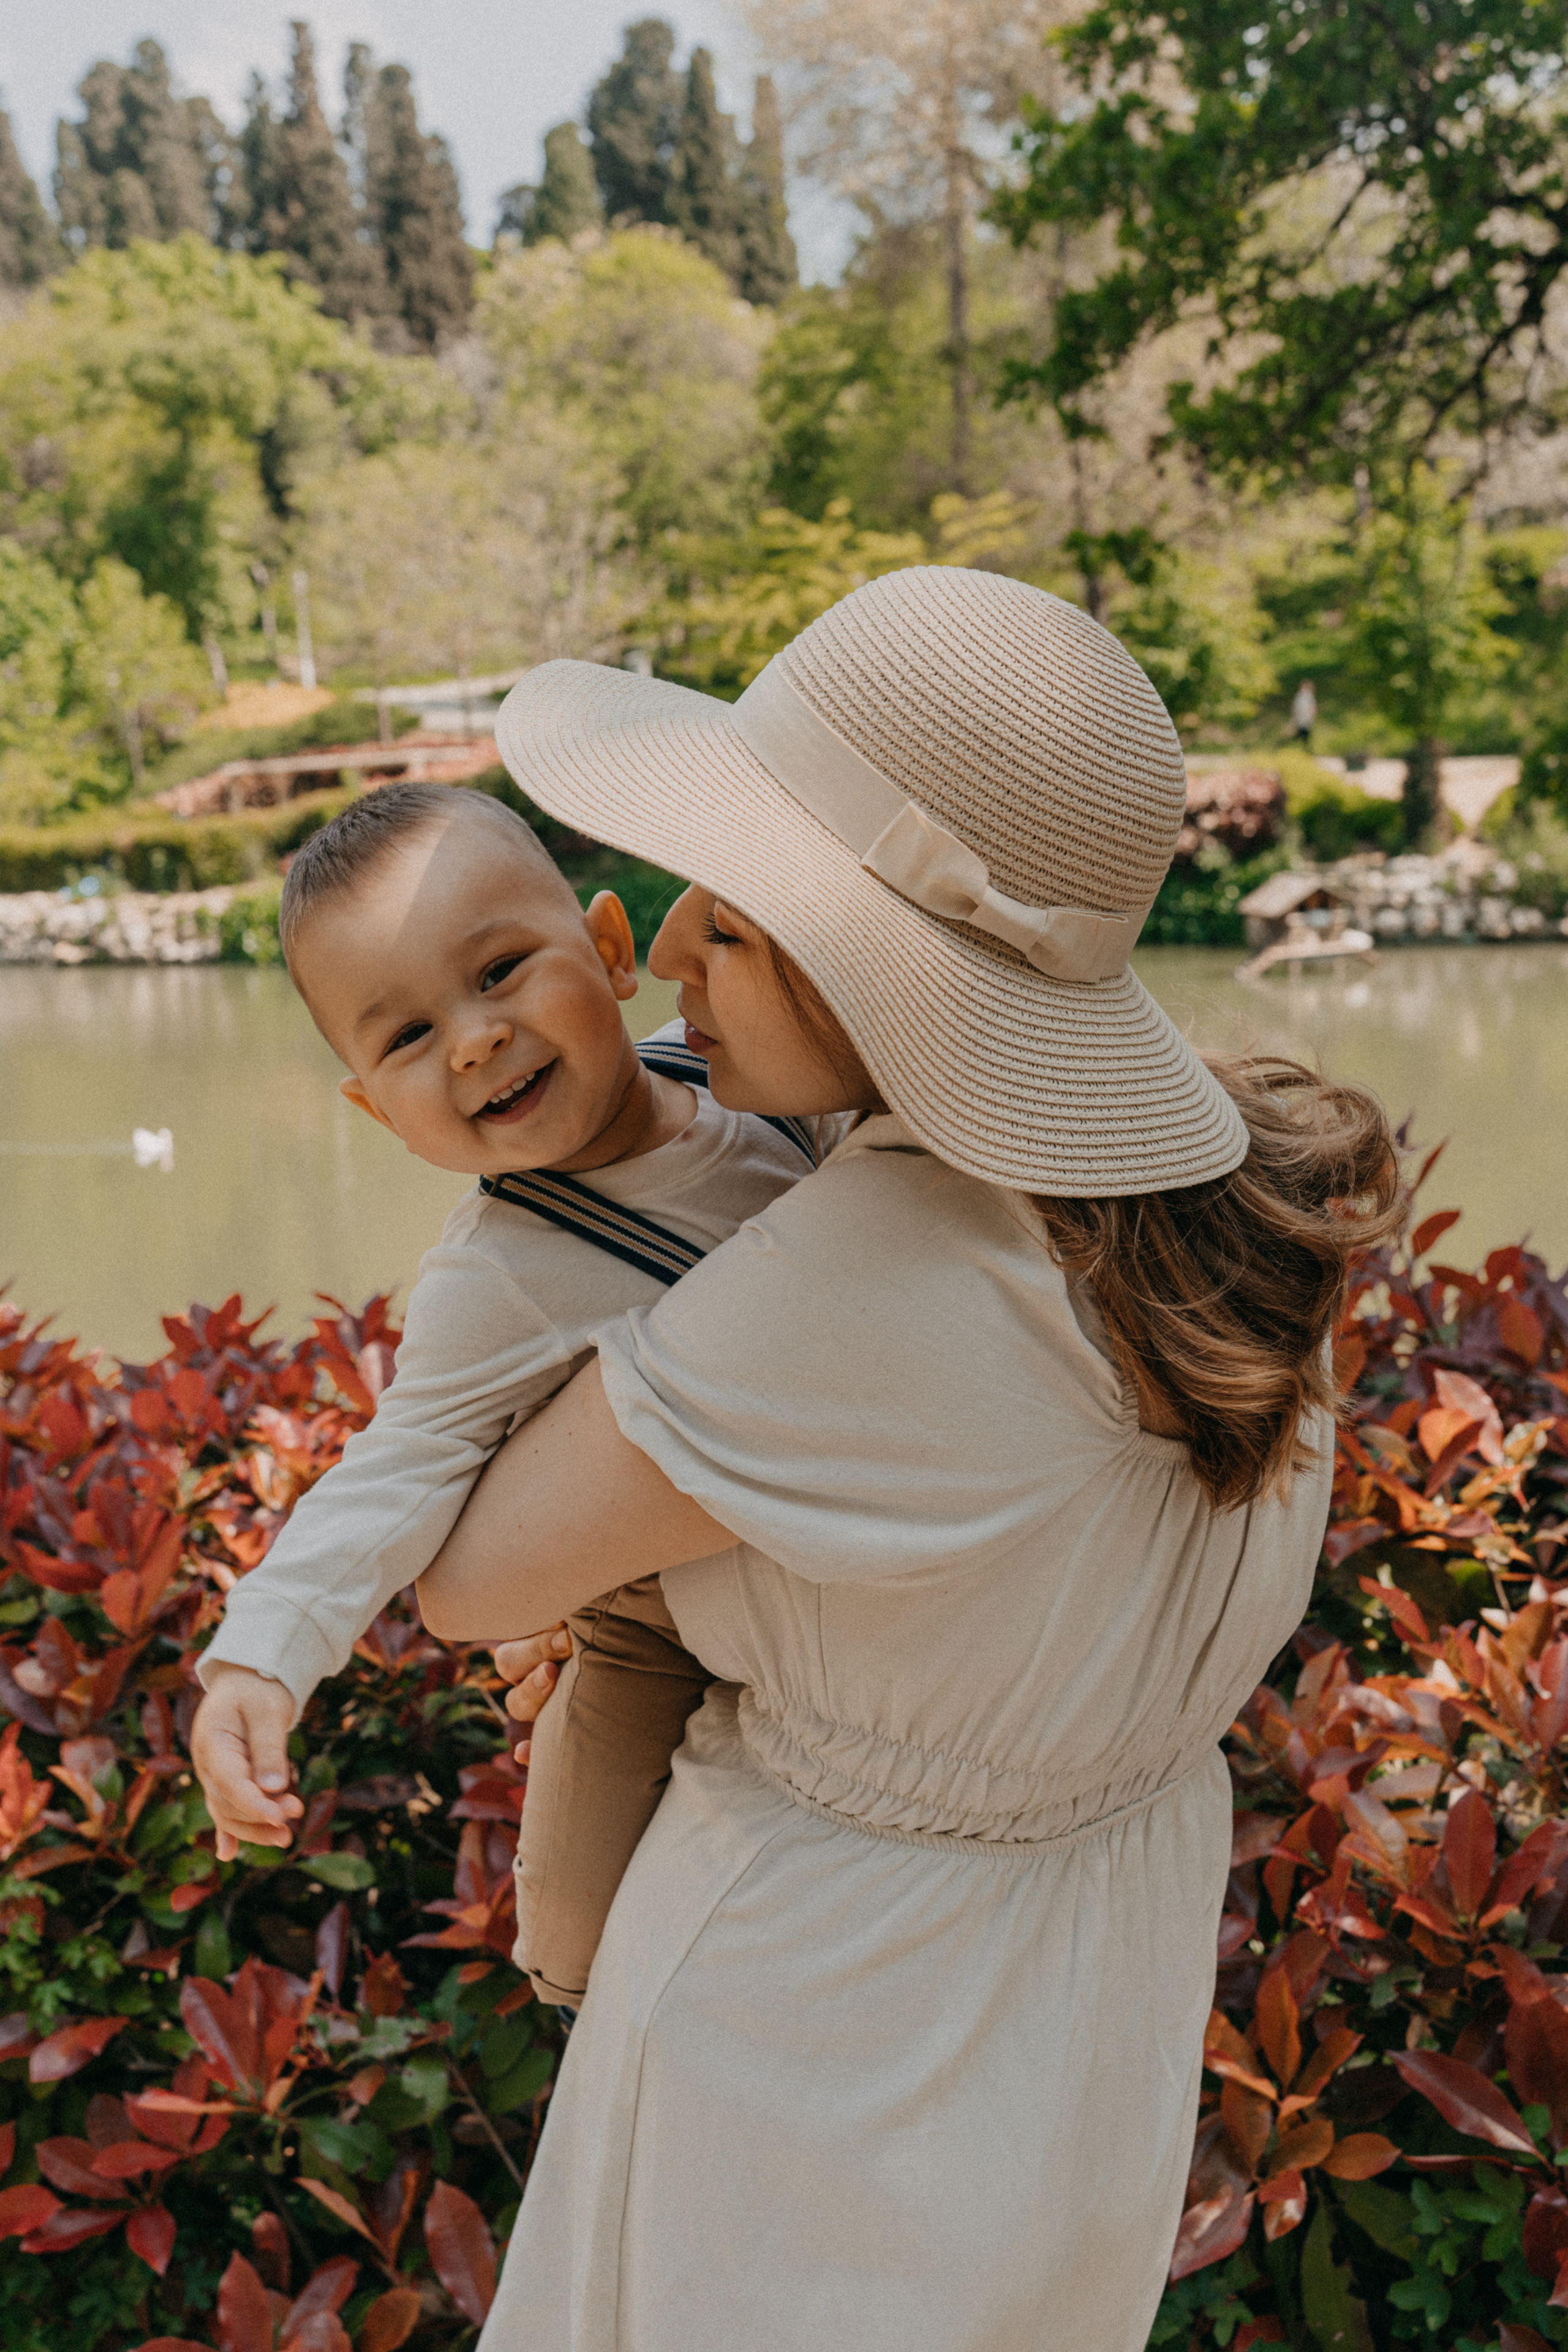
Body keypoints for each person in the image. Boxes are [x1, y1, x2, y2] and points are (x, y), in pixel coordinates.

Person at [416, 565, 1399, 2352]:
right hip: (1088, 1985)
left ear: (887, 972)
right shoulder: (1232, 1202)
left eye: (744, 905)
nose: (677, 939)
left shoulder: (861, 1276)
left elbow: (472, 1575)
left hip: (821, 2011)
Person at [189, 781, 842, 2008]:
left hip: (830, 1555)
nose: (473, 1040)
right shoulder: (501, 1268)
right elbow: (401, 1457)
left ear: (606, 950)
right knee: (577, 1913)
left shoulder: (747, 1078)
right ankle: (583, 2011)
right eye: (405, 1039)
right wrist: (259, 1662)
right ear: (375, 1112)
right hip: (651, 1611)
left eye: (497, 972)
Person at [1292, 677, 1318, 745]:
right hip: (1303, 717)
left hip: (1305, 717)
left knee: (1303, 732)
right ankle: (1302, 746)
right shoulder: (1303, 696)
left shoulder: (1305, 696)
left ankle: (1300, 746)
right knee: (1303, 732)